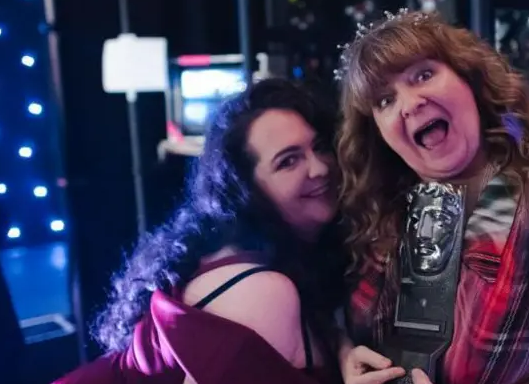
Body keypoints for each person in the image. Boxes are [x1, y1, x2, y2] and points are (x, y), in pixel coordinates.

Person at [334, 9, 529, 384]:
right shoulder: (389, 210)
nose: (409, 103)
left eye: (423, 75)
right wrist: (346, 356)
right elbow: (340, 321)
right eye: (385, 100)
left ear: (468, 79)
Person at [54, 78, 347, 384]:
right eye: (288, 161)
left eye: (320, 147)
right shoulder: (258, 291)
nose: (320, 168)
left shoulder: (257, 248)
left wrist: (342, 347)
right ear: (246, 189)